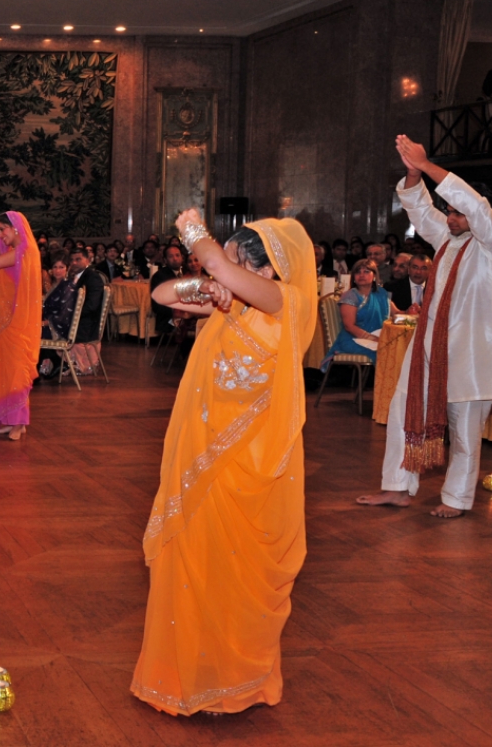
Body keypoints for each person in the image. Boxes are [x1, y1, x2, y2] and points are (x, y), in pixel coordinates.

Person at [133, 209, 316, 716]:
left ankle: (236, 681)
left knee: (238, 577)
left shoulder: (286, 303)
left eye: (230, 267)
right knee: (197, 566)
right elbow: (162, 294)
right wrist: (207, 288)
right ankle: (192, 675)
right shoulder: (230, 304)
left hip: (251, 467)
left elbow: (215, 259)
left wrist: (196, 233)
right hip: (204, 462)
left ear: (263, 268)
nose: (218, 275)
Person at [358, 135, 492, 518]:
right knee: (402, 409)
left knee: (465, 430)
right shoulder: (447, 241)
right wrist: (412, 173)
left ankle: (456, 499)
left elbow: (476, 204)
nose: (451, 217)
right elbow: (421, 211)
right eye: (450, 211)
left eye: (457, 212)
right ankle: (398, 487)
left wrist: (427, 165)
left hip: (473, 354)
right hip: (428, 347)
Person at [0, 204, 42, 441]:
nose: (0, 235)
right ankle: (5, 419)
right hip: (4, 321)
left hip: (17, 323)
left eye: (3, 230)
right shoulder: (8, 246)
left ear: (16, 228)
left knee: (16, 373)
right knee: (4, 371)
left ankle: (19, 423)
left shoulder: (25, 251)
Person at [320, 259, 389, 369]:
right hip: (352, 339)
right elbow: (349, 326)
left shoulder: (380, 294)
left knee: (395, 346)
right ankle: (382, 384)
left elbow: (395, 313)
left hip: (374, 338)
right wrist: (372, 338)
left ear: (374, 276)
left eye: (366, 272)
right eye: (358, 272)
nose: (361, 275)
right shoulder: (350, 296)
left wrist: (409, 311)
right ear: (354, 277)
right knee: (386, 349)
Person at [38, 252, 78, 379]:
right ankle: (57, 362)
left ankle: (38, 369)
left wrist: (45, 323)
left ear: (67, 268)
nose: (58, 270)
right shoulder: (55, 285)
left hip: (60, 327)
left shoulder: (68, 287)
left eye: (61, 267)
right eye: (55, 267)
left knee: (32, 333)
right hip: (52, 324)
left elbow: (65, 315)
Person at [149, 245, 185, 333]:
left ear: (182, 257)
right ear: (165, 260)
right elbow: (158, 305)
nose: (175, 259)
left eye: (177, 255)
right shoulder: (160, 276)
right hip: (169, 316)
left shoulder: (187, 272)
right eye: (171, 256)